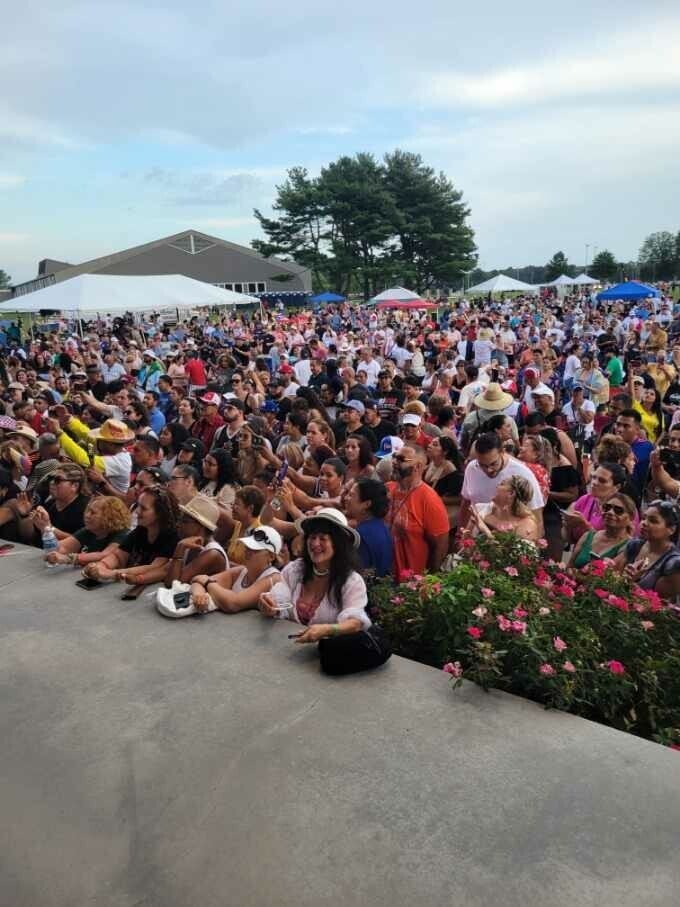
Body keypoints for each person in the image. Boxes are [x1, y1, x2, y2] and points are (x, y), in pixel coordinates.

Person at [259, 508, 389, 675]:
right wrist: (269, 604)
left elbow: (355, 622)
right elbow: (279, 597)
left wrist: (327, 630)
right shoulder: (295, 569)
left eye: (323, 538)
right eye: (312, 537)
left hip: (321, 666)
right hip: (285, 659)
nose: (315, 544)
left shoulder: (351, 581)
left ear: (338, 543)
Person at [83, 486, 180, 586]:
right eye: (138, 505)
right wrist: (101, 566)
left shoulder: (172, 537)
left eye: (143, 508)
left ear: (160, 513)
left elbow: (154, 567)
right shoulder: (141, 530)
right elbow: (118, 556)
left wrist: (112, 573)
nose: (137, 511)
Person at [187, 525, 283, 615]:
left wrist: (207, 582)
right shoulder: (240, 571)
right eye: (247, 547)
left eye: (255, 550)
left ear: (271, 556)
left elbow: (233, 604)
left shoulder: (273, 578)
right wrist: (199, 595)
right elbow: (197, 581)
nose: (247, 552)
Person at [458, 432, 544, 533]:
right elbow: (466, 502)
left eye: (493, 464)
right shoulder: (471, 468)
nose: (489, 470)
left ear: (502, 452)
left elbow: (537, 517)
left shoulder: (523, 473)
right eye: (482, 465)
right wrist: (461, 534)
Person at [386, 443, 449, 579]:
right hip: (384, 577)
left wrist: (430, 581)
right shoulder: (387, 489)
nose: (394, 462)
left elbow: (441, 546)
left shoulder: (429, 499)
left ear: (418, 467)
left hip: (411, 583)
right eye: (394, 457)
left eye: (401, 460)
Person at [611, 500, 680, 599]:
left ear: (671, 529)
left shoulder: (674, 564)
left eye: (653, 521)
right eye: (644, 518)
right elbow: (611, 572)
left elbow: (656, 606)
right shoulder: (635, 545)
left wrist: (629, 582)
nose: (644, 523)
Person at [44, 496, 131, 567]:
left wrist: (69, 558)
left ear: (110, 517)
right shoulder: (90, 530)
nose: (87, 515)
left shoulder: (123, 534)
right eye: (88, 511)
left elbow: (105, 555)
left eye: (93, 513)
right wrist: (45, 527)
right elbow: (63, 547)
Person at [164, 493, 228, 586]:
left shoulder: (212, 554)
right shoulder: (190, 542)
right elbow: (165, 572)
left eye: (185, 521)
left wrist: (180, 548)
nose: (179, 525)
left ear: (201, 526)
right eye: (180, 520)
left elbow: (172, 584)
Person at [564, 461, 637, 541]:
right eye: (593, 477)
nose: (594, 483)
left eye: (602, 481)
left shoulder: (625, 508)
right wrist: (568, 525)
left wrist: (585, 525)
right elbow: (567, 539)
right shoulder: (585, 500)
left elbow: (618, 543)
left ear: (617, 487)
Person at [568, 493, 635, 570]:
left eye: (618, 510)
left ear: (631, 517)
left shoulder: (629, 546)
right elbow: (569, 567)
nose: (610, 512)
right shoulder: (587, 536)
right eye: (607, 508)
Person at [343, 478, 393, 577]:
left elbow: (356, 577)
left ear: (366, 504)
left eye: (351, 495)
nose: (346, 498)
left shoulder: (360, 535)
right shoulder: (382, 527)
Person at [466, 475, 540, 543]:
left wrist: (485, 531)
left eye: (502, 484)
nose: (497, 486)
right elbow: (464, 545)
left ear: (511, 493)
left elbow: (512, 556)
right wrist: (466, 535)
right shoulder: (480, 509)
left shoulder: (526, 525)